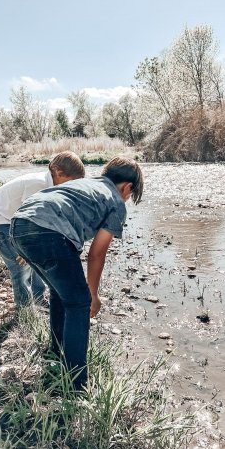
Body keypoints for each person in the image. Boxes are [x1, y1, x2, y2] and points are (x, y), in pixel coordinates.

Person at [10, 156, 144, 389]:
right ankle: (76, 385)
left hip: (18, 224)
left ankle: (57, 354)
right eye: (130, 195)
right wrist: (93, 294)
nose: (127, 199)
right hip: (47, 231)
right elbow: (97, 254)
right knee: (79, 302)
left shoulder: (85, 184)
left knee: (62, 293)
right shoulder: (115, 202)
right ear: (128, 187)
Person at [0, 151, 85, 306]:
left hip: (13, 219)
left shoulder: (53, 185)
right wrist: (24, 249)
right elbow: (26, 217)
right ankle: (25, 308)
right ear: (60, 173)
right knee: (20, 265)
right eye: (72, 182)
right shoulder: (39, 184)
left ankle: (38, 298)